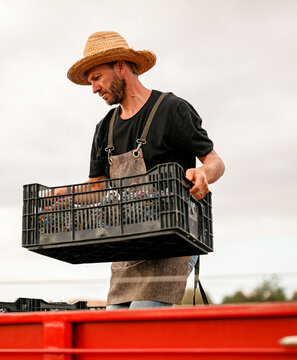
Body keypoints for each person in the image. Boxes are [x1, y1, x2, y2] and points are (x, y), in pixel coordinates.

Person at [67, 31, 225, 309]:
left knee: (138, 327)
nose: (93, 88)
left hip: (173, 241)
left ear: (120, 67)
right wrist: (65, 198)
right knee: (114, 336)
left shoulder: (172, 109)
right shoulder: (105, 128)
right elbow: (97, 188)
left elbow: (215, 161)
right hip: (130, 246)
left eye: (96, 78)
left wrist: (203, 173)